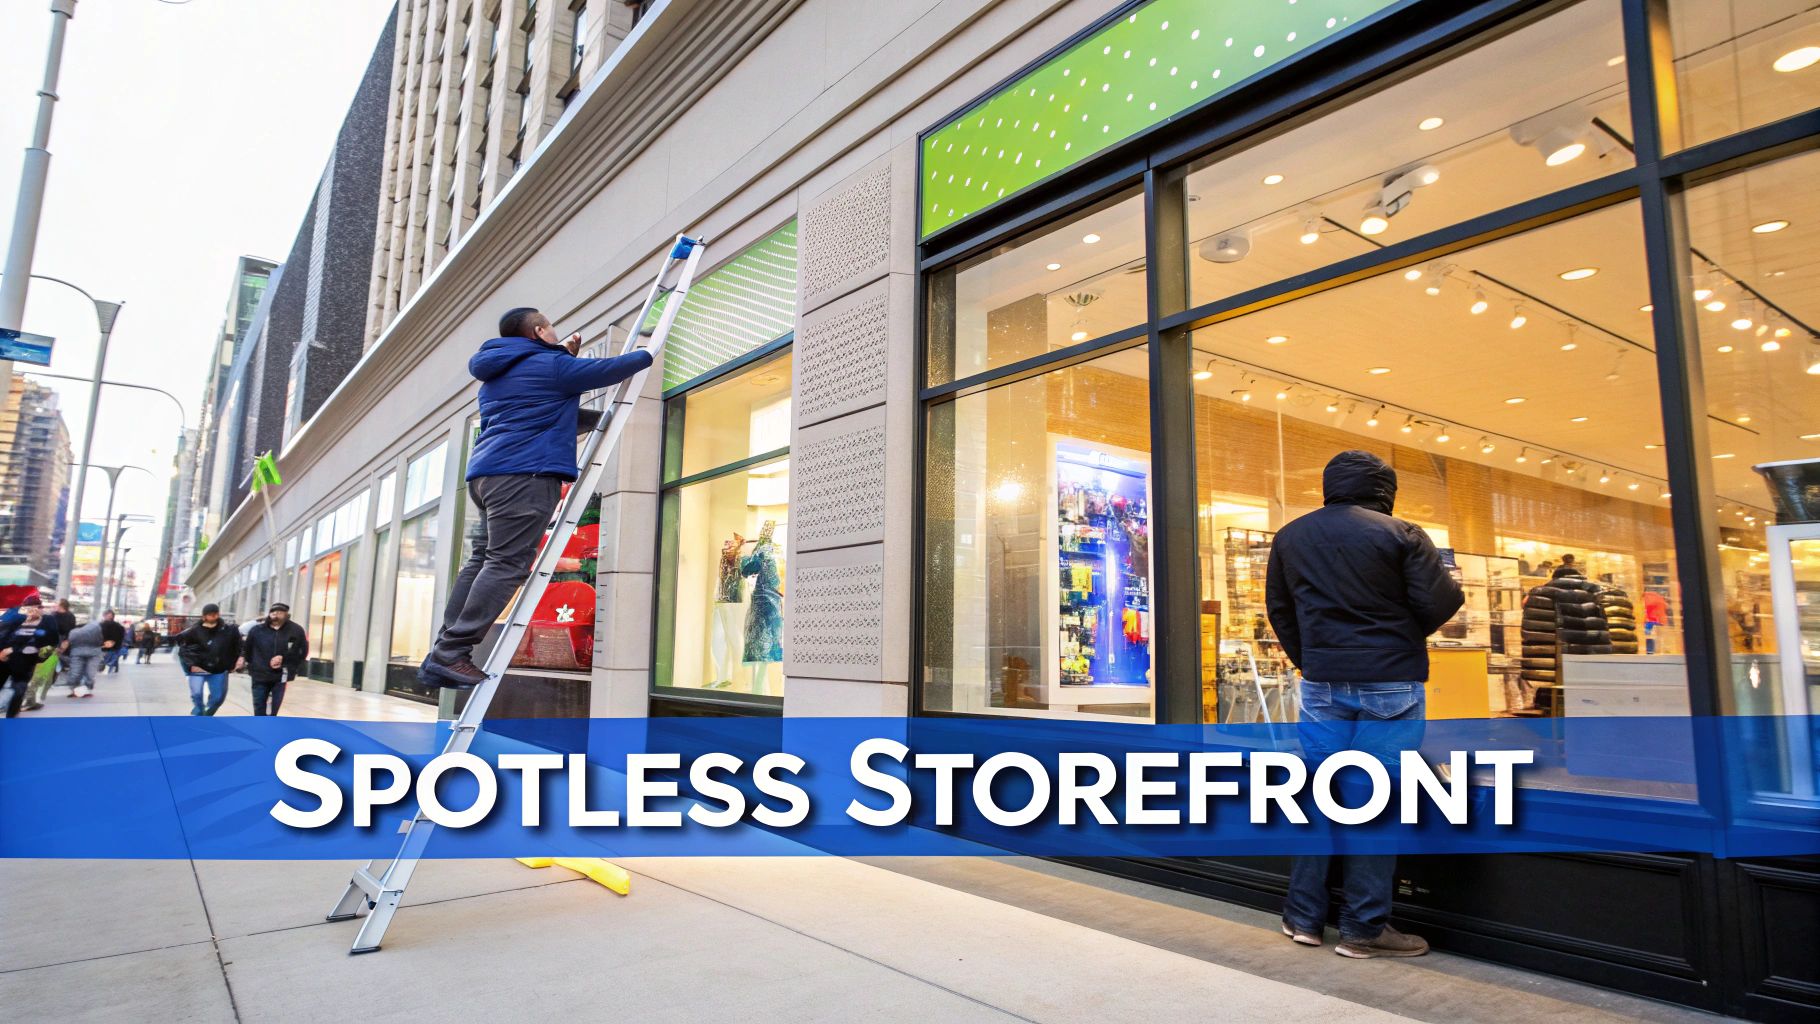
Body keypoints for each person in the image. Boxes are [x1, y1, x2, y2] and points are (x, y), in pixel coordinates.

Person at [1264, 450, 1465, 959]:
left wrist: (1312, 659)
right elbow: (1441, 602)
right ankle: (1364, 928)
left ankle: (1303, 918)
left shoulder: (1291, 535)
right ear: (1384, 488)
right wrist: (1393, 638)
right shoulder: (1402, 534)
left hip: (1322, 682)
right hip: (1391, 681)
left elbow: (1280, 609)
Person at [419, 306, 652, 689]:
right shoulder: (551, 365)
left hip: (488, 477)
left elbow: (542, 413)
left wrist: (593, 414)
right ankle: (450, 654)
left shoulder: (495, 375)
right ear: (540, 330)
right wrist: (648, 349)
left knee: (483, 560)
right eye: (551, 328)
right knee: (507, 564)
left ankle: (442, 652)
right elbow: (618, 368)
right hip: (524, 476)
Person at [238, 603, 307, 715]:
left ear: (286, 615)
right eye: (273, 613)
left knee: (274, 709)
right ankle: (260, 729)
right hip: (259, 674)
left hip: (281, 675)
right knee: (259, 706)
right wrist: (251, 665)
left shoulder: (296, 630)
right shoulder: (257, 630)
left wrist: (284, 659)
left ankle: (269, 727)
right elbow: (247, 649)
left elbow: (301, 652)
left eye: (279, 613)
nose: (275, 616)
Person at [172, 604, 240, 716]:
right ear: (204, 616)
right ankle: (199, 711)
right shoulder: (192, 632)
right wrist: (191, 665)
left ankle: (207, 715)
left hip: (218, 669)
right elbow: (183, 651)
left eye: (215, 614)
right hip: (197, 668)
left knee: (218, 698)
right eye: (210, 614)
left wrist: (234, 662)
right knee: (197, 694)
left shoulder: (228, 630)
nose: (213, 616)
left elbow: (237, 646)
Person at [0, 595, 62, 717]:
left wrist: (41, 656)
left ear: (40, 608)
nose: (32, 611)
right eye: (28, 608)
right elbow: (4, 633)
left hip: (25, 660)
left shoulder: (47, 620)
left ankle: (11, 716)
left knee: (20, 687)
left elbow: (52, 639)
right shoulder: (16, 617)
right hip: (6, 658)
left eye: (36, 607)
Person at [60, 617, 105, 698]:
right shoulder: (96, 630)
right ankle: (85, 689)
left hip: (78, 652)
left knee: (75, 672)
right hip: (93, 652)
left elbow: (68, 642)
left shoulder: (73, 632)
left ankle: (75, 689)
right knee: (90, 673)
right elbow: (101, 641)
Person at [98, 609, 127, 673]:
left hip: (105, 648)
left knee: (106, 663)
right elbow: (122, 636)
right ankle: (112, 671)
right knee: (113, 662)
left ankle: (107, 672)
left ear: (104, 616)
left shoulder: (102, 625)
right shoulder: (119, 626)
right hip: (115, 648)